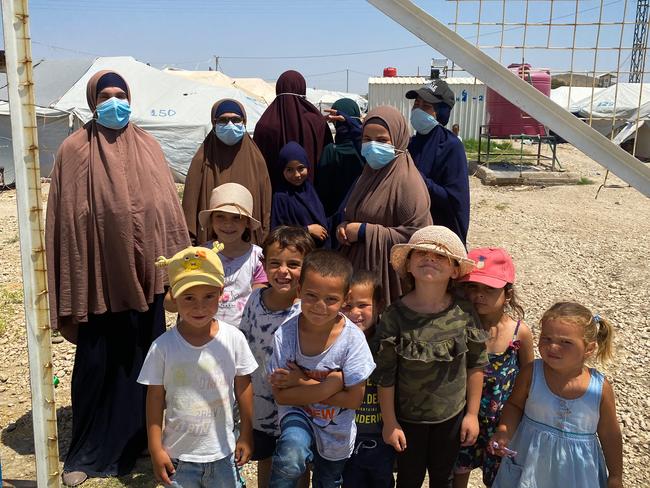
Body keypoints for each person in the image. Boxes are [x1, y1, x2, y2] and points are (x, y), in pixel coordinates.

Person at [45, 70, 190, 486]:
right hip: (99, 282)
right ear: (92, 101)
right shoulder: (74, 150)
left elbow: (166, 211)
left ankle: (146, 441)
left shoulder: (149, 146)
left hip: (146, 282)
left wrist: (174, 273)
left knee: (146, 365)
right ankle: (88, 453)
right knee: (97, 365)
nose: (114, 103)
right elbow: (66, 221)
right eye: (105, 96)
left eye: (120, 95)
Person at [374, 226, 487, 488]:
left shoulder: (464, 312)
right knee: (408, 479)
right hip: (407, 420)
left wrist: (471, 414)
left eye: (441, 256)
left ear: (455, 270)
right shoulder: (395, 315)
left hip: (451, 417)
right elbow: (385, 374)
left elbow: (476, 364)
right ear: (409, 266)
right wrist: (389, 421)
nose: (430, 258)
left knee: (443, 478)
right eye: (422, 253)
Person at [138, 244, 258, 487]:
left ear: (221, 292)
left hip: (223, 453)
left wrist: (246, 433)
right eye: (189, 297)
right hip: (179, 458)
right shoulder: (162, 347)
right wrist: (154, 447)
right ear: (174, 297)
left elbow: (244, 387)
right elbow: (154, 398)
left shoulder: (233, 339)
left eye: (208, 296)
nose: (199, 306)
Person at [267, 250, 375, 487]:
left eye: (331, 299)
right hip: (298, 415)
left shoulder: (353, 340)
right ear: (299, 291)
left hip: (337, 432)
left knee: (328, 481)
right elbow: (281, 395)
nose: (320, 306)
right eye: (312, 296)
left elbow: (354, 399)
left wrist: (301, 382)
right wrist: (333, 385)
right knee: (289, 457)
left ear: (345, 299)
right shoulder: (286, 334)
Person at [490, 302, 623, 488]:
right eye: (546, 338)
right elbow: (515, 406)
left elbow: (610, 433)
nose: (552, 346)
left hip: (577, 472)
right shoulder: (531, 373)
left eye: (565, 342)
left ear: (589, 348)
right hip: (530, 462)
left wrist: (616, 475)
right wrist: (505, 431)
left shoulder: (600, 388)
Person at [240, 226, 315, 488]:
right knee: (267, 459)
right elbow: (244, 347)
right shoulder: (254, 300)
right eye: (275, 263)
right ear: (264, 264)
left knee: (296, 460)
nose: (283, 271)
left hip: (297, 405)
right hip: (261, 402)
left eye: (293, 264)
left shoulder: (308, 311)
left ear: (307, 269)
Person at [453, 248, 534, 488]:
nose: (479, 295)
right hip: (463, 417)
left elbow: (529, 378)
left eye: (489, 289)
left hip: (502, 423)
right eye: (472, 288)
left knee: (499, 478)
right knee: (458, 474)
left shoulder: (519, 333)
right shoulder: (456, 326)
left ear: (507, 294)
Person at [337, 106, 432, 305]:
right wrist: (345, 227)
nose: (372, 146)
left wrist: (365, 232)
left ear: (397, 139)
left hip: (389, 281)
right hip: (358, 276)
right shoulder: (368, 174)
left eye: (381, 140)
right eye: (366, 139)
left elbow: (418, 236)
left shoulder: (407, 182)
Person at [182, 98, 272, 245]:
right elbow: (190, 205)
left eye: (236, 119)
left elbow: (265, 205)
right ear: (214, 123)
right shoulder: (202, 160)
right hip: (210, 243)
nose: (230, 125)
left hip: (247, 242)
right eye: (223, 120)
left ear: (244, 122)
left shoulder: (256, 161)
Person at [341, 271, 394, 488]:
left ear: (379, 305)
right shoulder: (336, 343)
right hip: (346, 436)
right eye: (347, 306)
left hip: (382, 436)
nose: (355, 313)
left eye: (363, 305)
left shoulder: (387, 343)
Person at [406, 80, 470, 245]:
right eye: (416, 104)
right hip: (411, 231)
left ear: (441, 112)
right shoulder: (411, 143)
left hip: (438, 236)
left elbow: (454, 201)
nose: (417, 110)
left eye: (426, 106)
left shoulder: (451, 146)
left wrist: (417, 179)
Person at [194, 182, 267, 327]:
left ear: (247, 222)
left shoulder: (257, 257)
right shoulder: (201, 255)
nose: (228, 224)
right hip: (205, 330)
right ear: (212, 220)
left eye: (236, 218)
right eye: (220, 217)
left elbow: (258, 298)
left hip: (243, 332)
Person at [253, 70, 333, 189]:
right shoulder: (317, 122)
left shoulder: (265, 124)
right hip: (311, 196)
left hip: (275, 197)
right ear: (302, 90)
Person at [271, 142, 329, 247]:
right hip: (298, 253)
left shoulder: (309, 189)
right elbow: (277, 232)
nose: (296, 175)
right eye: (289, 170)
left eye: (301, 168)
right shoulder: (281, 197)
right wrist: (306, 230)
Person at [315, 98, 365, 218]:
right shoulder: (366, 150)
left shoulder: (330, 151)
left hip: (335, 216)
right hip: (361, 216)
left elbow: (322, 189)